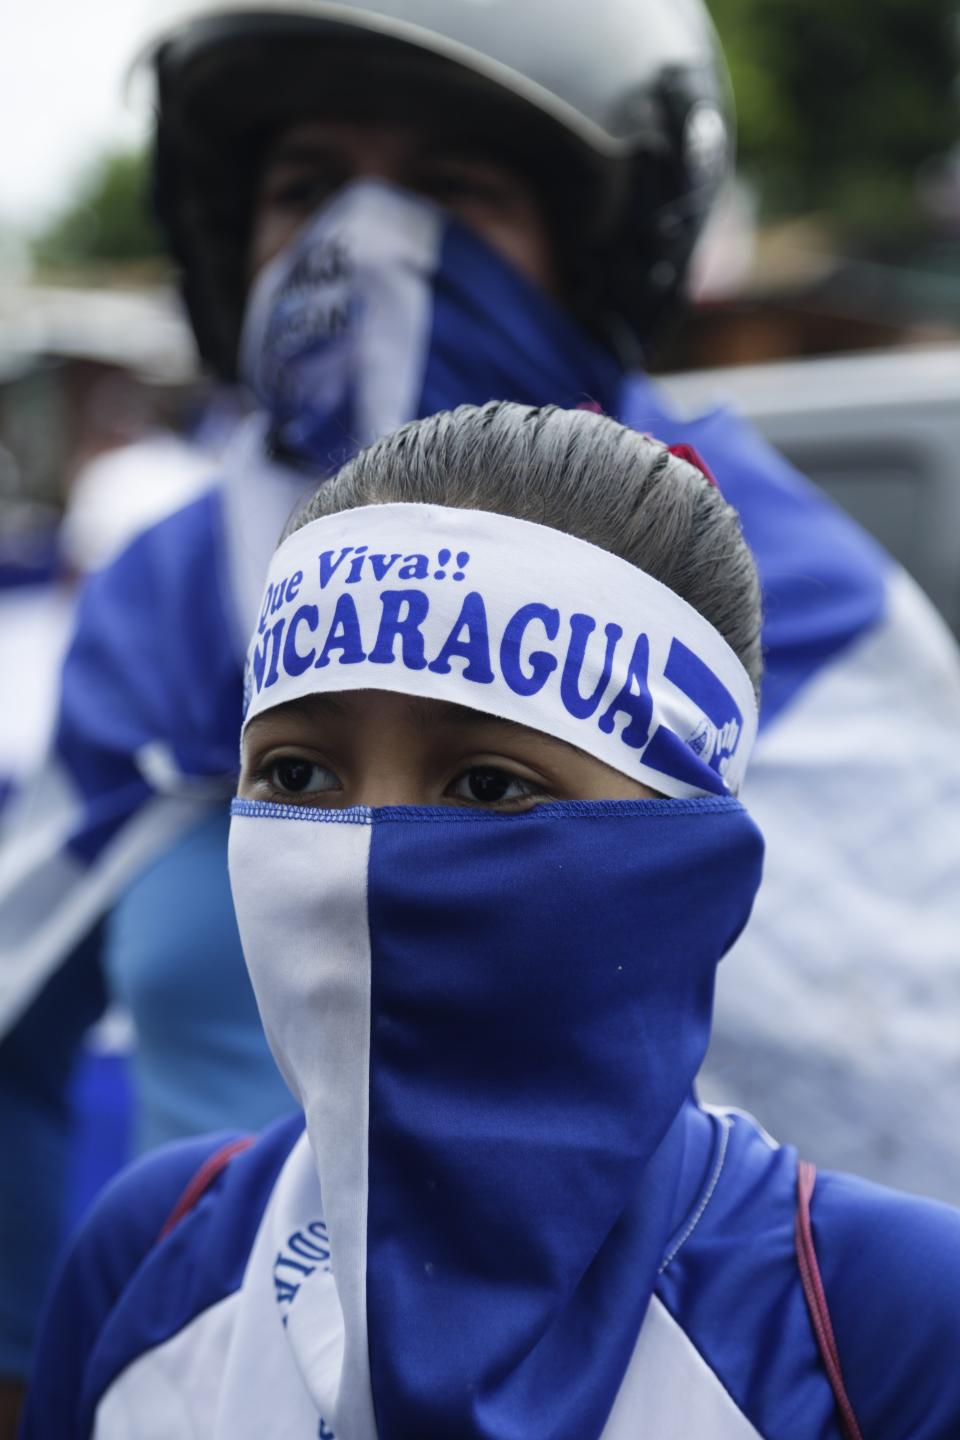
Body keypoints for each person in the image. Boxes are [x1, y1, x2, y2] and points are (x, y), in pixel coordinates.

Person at [3, 0, 960, 1404]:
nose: (365, 248)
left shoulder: (777, 583)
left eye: (454, 190)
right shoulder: (158, 600)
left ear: (596, 234)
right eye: (306, 184)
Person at [21, 404, 960, 1438]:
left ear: (686, 867)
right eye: (297, 773)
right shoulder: (153, 1253)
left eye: (485, 784)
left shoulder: (884, 1320)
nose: (357, 860)